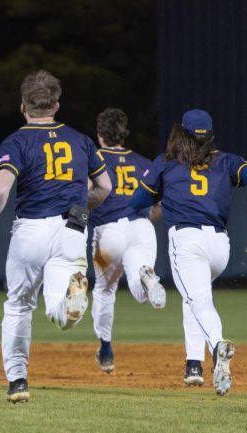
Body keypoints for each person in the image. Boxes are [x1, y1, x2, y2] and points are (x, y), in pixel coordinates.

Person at [0, 70, 112, 403]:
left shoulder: (16, 141)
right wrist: (82, 204)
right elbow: (105, 187)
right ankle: (69, 308)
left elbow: (2, 190)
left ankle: (18, 382)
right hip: (72, 228)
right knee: (58, 309)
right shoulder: (81, 140)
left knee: (19, 306)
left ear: (23, 107)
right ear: (57, 105)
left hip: (31, 230)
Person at [131, 109, 247, 395]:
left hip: (187, 240)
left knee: (199, 300)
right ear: (209, 135)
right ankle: (193, 364)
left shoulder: (167, 163)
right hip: (220, 246)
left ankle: (217, 345)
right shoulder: (226, 160)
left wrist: (161, 193)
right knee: (194, 297)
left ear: (182, 133)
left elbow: (138, 200)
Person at [86, 108, 166, 374]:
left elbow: (87, 193)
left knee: (104, 290)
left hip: (108, 233)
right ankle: (146, 275)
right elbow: (160, 205)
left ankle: (106, 350)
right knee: (139, 288)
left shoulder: (93, 158)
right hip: (141, 228)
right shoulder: (144, 162)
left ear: (100, 134)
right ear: (124, 133)